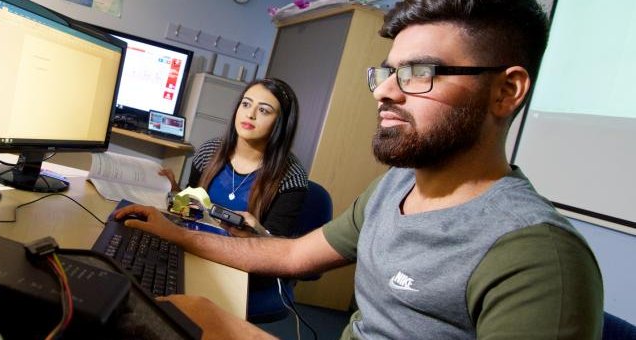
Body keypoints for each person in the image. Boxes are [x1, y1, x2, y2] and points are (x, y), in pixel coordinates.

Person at [116, 0, 604, 338]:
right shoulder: (395, 187)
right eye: (388, 71)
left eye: (419, 73)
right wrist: (174, 233)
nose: (384, 91)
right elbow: (290, 258)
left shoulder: (537, 257)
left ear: (505, 91)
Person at [160, 78, 309, 238]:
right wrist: (175, 191)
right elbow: (192, 209)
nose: (250, 114)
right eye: (246, 104)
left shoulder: (292, 175)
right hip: (198, 243)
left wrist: (256, 233)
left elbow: (278, 246)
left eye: (263, 110)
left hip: (241, 258)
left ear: (281, 124)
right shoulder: (209, 151)